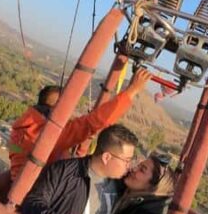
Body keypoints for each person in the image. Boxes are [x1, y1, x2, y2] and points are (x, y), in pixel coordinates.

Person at [8, 68, 151, 180]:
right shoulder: (49, 132)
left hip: (24, 188)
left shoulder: (22, 127)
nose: (69, 113)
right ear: (55, 108)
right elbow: (97, 121)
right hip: (33, 196)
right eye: (65, 107)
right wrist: (132, 90)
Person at [20, 124, 139, 214]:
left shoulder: (120, 186)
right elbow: (32, 202)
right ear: (106, 157)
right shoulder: (63, 171)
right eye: (126, 160)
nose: (128, 166)